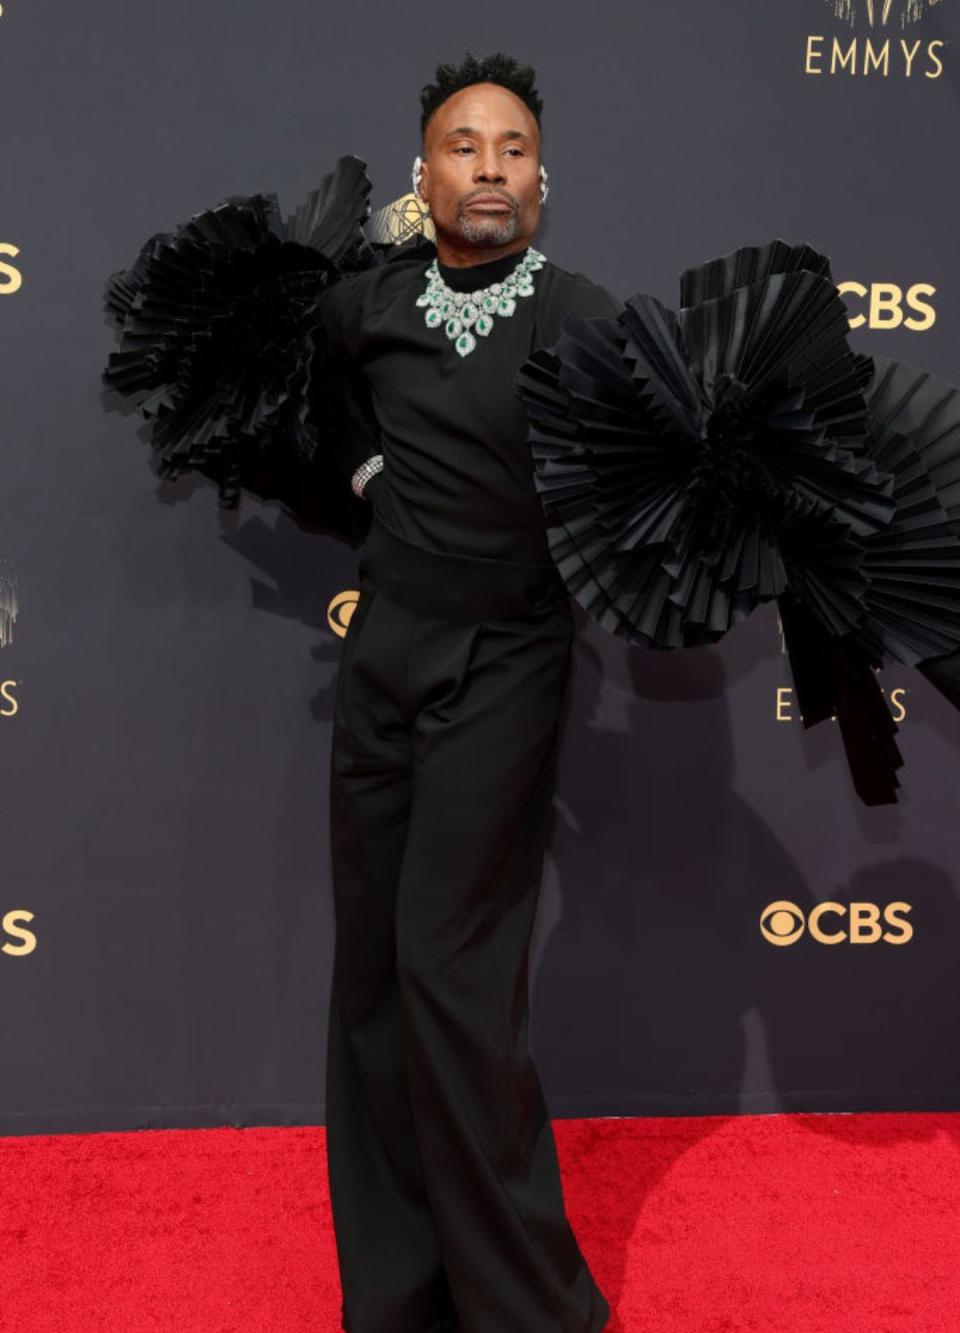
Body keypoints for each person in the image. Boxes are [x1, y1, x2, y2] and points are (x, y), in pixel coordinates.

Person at [315, 51, 621, 1333]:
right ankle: (398, 1294)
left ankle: (528, 1309)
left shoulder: (584, 317)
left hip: (506, 662)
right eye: (463, 145)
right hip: (382, 659)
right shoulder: (366, 306)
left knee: (451, 969)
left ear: (541, 180)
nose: (487, 168)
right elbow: (326, 419)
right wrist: (378, 490)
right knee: (376, 974)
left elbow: (643, 487)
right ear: (421, 172)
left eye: (511, 148)